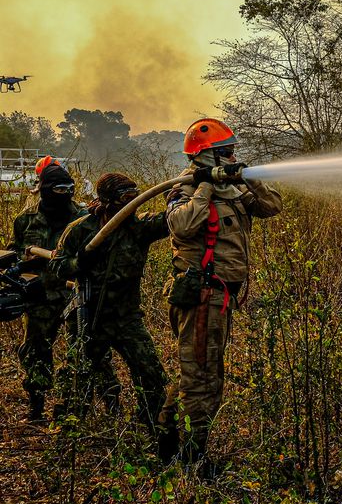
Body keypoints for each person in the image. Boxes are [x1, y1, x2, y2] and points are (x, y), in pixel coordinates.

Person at [157, 118, 281, 471]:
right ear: (205, 157)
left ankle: (165, 439)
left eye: (232, 152)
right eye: (225, 152)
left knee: (195, 371)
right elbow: (181, 226)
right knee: (204, 379)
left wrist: (246, 177)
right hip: (201, 297)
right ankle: (192, 457)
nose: (232, 157)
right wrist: (205, 186)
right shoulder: (183, 191)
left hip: (221, 297)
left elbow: (271, 207)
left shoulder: (235, 189)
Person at [49, 173, 169, 431]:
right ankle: (68, 431)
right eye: (125, 199)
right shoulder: (81, 229)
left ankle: (153, 425)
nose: (131, 205)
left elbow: (171, 220)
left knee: (151, 372)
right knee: (78, 375)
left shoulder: (139, 227)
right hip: (89, 316)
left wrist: (185, 188)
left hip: (127, 318)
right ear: (107, 201)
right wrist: (79, 263)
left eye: (134, 198)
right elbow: (58, 266)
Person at [8, 157, 99, 422]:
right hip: (39, 297)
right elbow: (15, 252)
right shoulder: (26, 220)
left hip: (75, 295)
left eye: (68, 188)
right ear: (44, 189)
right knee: (35, 351)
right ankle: (36, 408)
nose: (65, 194)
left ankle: (69, 411)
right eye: (57, 189)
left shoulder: (84, 219)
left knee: (79, 352)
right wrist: (20, 267)